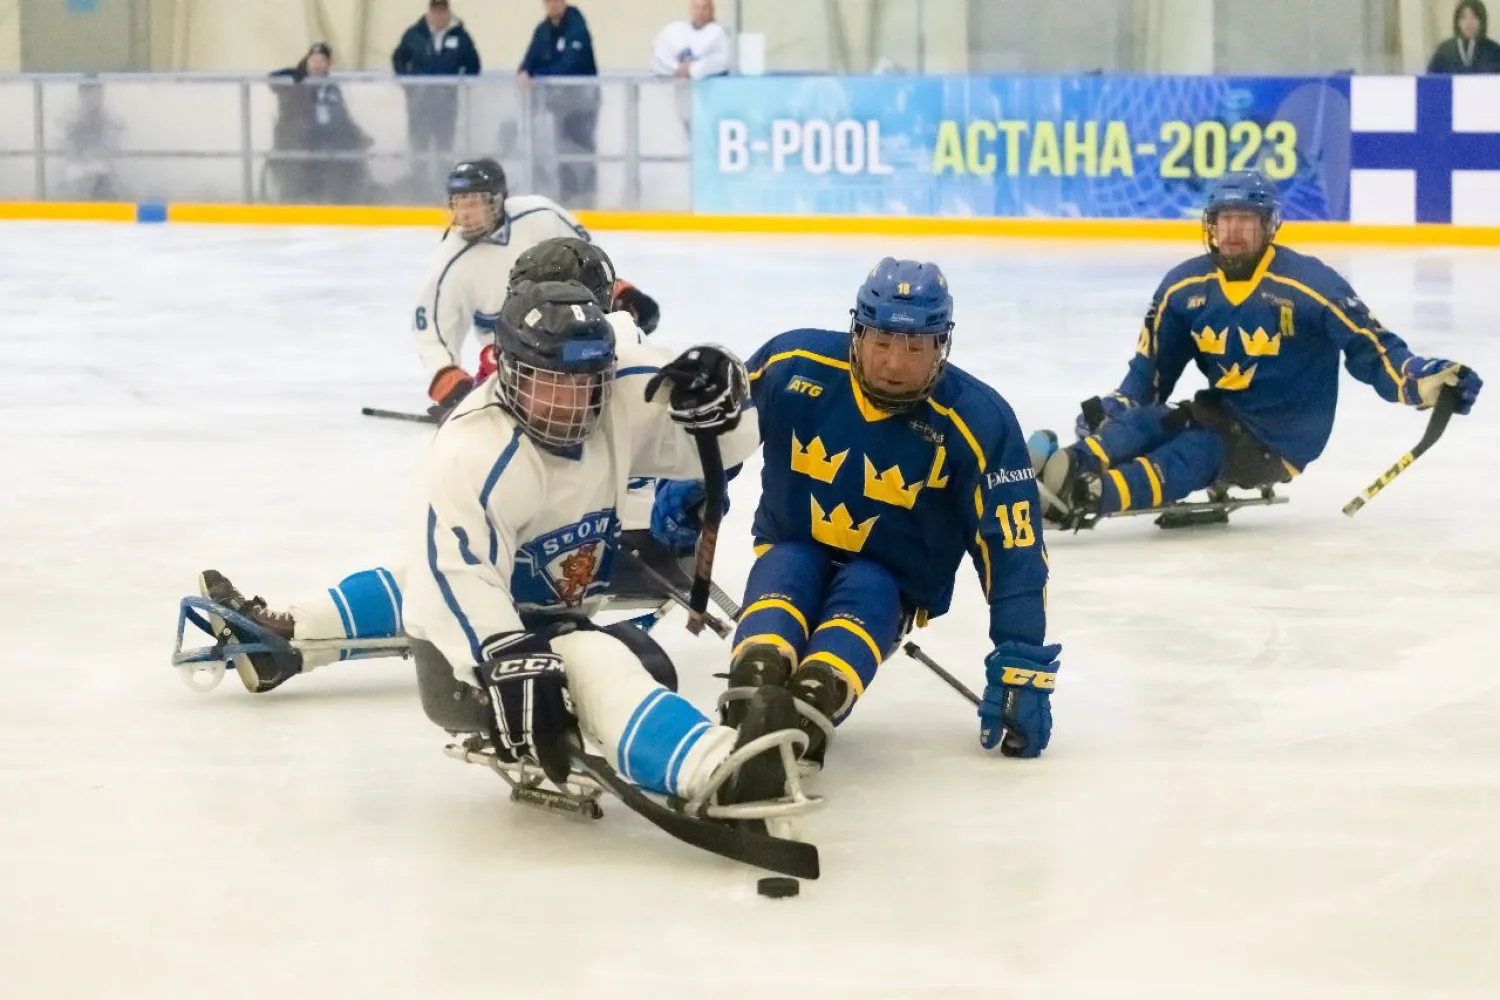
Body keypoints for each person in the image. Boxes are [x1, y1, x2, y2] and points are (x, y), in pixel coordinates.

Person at [190, 239, 670, 696]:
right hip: (608, 523)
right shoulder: (614, 343)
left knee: (438, 572)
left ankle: (286, 640)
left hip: (603, 537)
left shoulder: (598, 355)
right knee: (447, 564)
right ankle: (290, 643)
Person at [653, 259, 1060, 765]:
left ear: (941, 346)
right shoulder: (792, 364)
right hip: (792, 547)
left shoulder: (978, 420)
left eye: (914, 347)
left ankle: (815, 702)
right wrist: (694, 484)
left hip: (891, 580)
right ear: (858, 332)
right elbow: (722, 425)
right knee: (788, 570)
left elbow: (1013, 545)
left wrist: (1020, 659)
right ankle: (751, 685)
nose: (894, 363)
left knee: (868, 588)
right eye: (882, 342)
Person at [1028, 170, 1483, 530]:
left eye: (1245, 220)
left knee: (1192, 453)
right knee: (1154, 421)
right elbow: (1149, 375)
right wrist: (1117, 409)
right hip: (1219, 411)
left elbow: (1375, 350)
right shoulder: (1184, 287)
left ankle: (1086, 494)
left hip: (1280, 440)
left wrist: (1422, 380)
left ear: (1268, 226)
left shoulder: (1310, 285)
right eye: (1224, 220)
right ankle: (1069, 465)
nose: (1232, 232)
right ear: (1210, 224)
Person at [412, 158, 658, 421]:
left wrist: (622, 294)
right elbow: (433, 336)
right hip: (519, 359)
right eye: (459, 204)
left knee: (623, 342)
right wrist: (453, 386)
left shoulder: (540, 215)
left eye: (474, 203)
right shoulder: (448, 264)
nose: (465, 214)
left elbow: (588, 260)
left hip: (577, 330)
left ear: (497, 199)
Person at [518, 1, 600, 207]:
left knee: (582, 149)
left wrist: (539, 75)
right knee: (561, 150)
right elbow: (530, 59)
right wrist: (524, 70)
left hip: (583, 105)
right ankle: (568, 195)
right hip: (559, 106)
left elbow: (571, 65)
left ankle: (588, 195)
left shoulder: (577, 27)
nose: (552, 5)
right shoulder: (543, 30)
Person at [392, 0, 482, 189]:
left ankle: (444, 186)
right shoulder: (415, 34)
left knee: (444, 147)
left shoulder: (460, 36)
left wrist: (460, 83)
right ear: (429, 12)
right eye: (435, 10)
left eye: (443, 10)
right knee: (419, 146)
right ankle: (418, 186)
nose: (439, 15)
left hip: (446, 105)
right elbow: (398, 58)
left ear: (448, 12)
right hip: (419, 105)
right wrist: (409, 84)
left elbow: (473, 64)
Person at [268, 43, 373, 203]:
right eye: (313, 60)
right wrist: (299, 73)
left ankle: (342, 201)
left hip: (326, 142)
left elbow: (343, 118)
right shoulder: (295, 83)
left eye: (322, 61)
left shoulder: (331, 88)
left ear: (328, 64)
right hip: (298, 143)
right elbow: (272, 79)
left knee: (346, 161)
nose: (317, 65)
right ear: (307, 61)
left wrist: (358, 135)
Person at [650, 0, 732, 80]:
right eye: (696, 8)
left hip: (709, 89)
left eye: (705, 8)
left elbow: (720, 62)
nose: (700, 12)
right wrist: (676, 67)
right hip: (677, 88)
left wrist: (691, 70)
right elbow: (659, 52)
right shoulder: (676, 30)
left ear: (712, 10)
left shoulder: (719, 33)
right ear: (691, 9)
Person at [1428, 1, 1500, 74]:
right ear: (1457, 22)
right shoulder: (1444, 50)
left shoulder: (1494, 50)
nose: (1469, 22)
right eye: (1463, 17)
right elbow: (1431, 80)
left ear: (1482, 21)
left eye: (1474, 17)